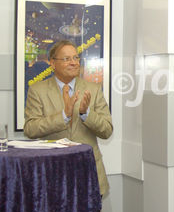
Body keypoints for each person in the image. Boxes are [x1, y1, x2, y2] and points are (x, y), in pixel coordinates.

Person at [24, 40, 113, 197]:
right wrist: (64, 115)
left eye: (76, 58)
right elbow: (30, 129)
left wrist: (86, 114)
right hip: (52, 176)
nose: (74, 63)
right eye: (67, 59)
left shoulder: (93, 89)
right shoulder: (37, 91)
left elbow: (107, 130)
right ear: (53, 63)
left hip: (89, 176)